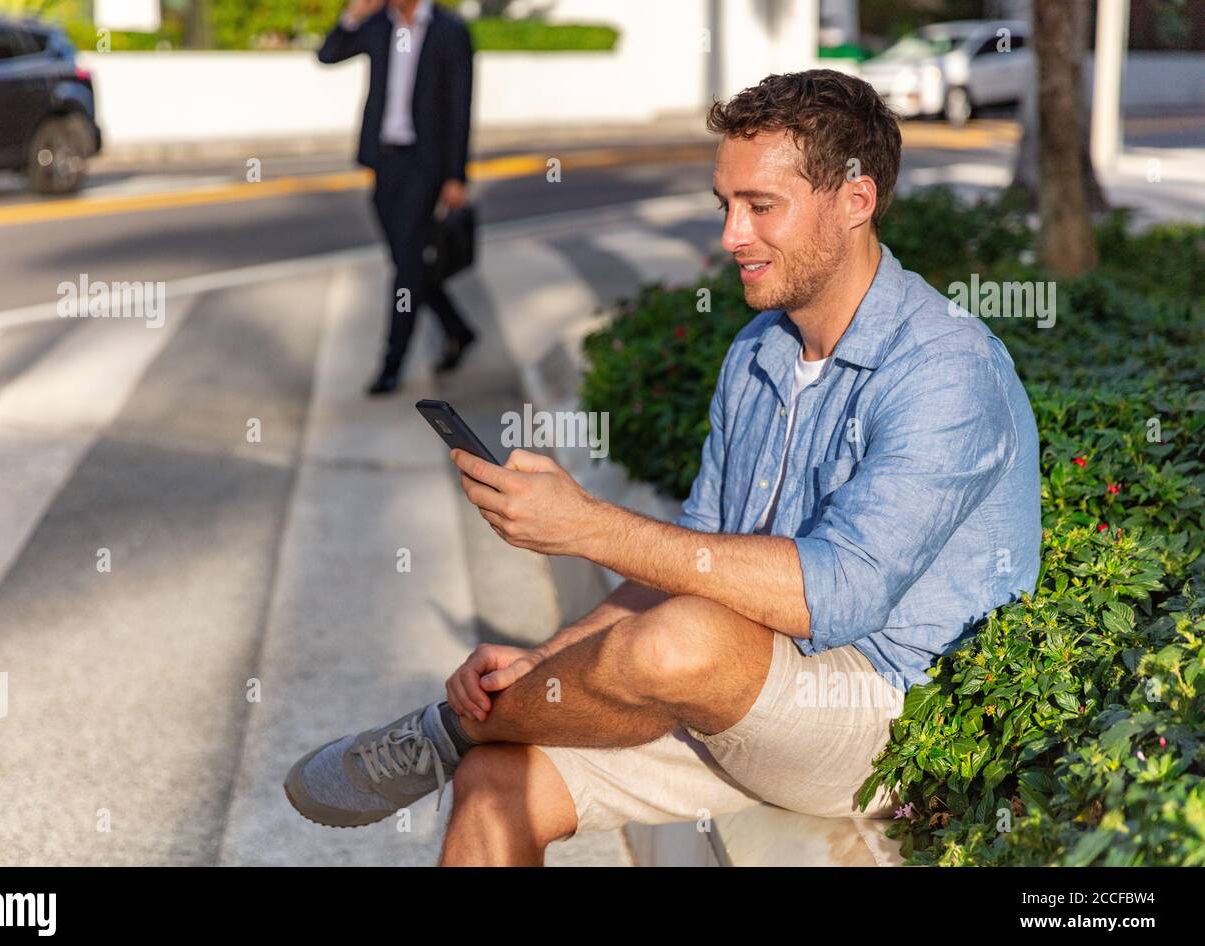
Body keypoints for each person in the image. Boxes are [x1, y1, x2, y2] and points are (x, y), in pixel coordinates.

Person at [282, 70, 1042, 865]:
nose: (730, 237)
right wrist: (545, 661)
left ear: (856, 201)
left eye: (761, 207)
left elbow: (838, 592)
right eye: (726, 205)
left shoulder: (945, 368)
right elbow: (697, 552)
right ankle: (479, 735)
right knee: (498, 783)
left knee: (682, 638)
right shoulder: (760, 350)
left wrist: (587, 528)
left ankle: (446, 731)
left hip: (889, 718)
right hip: (756, 696)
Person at [318, 0, 477, 396]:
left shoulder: (449, 30)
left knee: (406, 266)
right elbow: (328, 54)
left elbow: (460, 107)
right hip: (384, 161)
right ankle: (458, 330)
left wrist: (456, 175)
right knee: (408, 260)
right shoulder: (375, 24)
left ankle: (391, 363)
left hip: (427, 165)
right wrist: (352, 15)